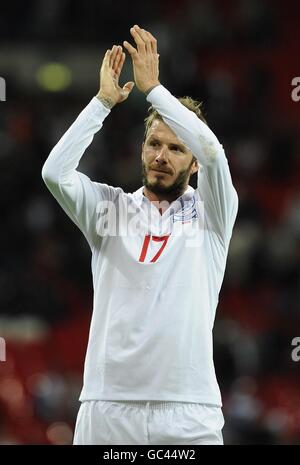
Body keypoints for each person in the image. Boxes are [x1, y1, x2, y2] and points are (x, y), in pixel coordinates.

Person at [41, 24, 238, 445]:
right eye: (154, 144)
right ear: (142, 147)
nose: (161, 157)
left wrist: (155, 91)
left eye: (176, 148)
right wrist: (102, 103)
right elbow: (54, 172)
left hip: (190, 412)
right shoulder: (108, 208)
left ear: (193, 162)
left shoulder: (212, 216)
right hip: (106, 407)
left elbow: (215, 154)